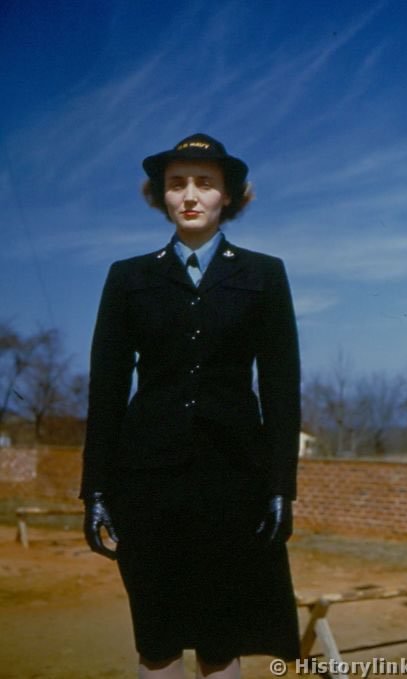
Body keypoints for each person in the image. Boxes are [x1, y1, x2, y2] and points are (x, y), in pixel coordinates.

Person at [80, 133, 301, 679]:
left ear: (230, 195)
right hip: (147, 482)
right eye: (177, 184)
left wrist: (281, 487)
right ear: (162, 196)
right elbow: (106, 389)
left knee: (222, 640)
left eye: (205, 182)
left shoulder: (264, 274)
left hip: (234, 482)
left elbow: (281, 388)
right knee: (157, 637)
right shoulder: (128, 277)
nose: (191, 195)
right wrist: (96, 489)